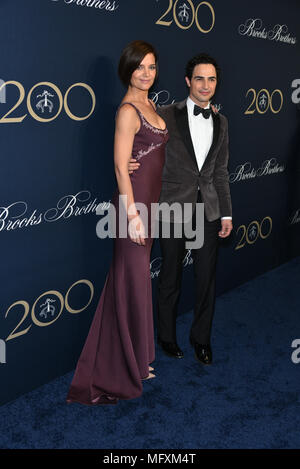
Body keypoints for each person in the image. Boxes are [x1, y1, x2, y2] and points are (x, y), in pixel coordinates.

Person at [66, 40, 168, 405]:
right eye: (140, 67)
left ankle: (138, 359)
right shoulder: (127, 110)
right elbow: (119, 168)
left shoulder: (152, 104)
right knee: (132, 280)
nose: (146, 73)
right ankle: (125, 364)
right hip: (132, 208)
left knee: (130, 281)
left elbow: (146, 157)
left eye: (152, 67)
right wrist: (132, 216)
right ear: (127, 69)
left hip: (151, 205)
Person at [129, 53, 232, 365]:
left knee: (205, 279)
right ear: (188, 81)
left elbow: (221, 171)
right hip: (173, 206)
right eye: (199, 78)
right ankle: (166, 336)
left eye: (211, 79)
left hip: (208, 211)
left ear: (216, 83)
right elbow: (140, 146)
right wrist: (130, 162)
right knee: (170, 277)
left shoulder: (222, 122)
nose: (205, 85)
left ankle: (201, 339)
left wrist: (226, 212)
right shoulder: (165, 115)